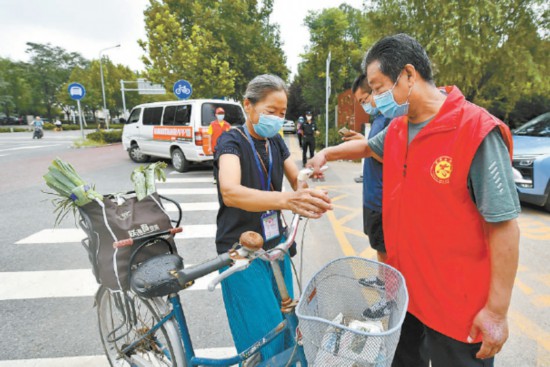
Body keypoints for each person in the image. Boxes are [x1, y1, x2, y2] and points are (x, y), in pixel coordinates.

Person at [308, 34, 520, 367]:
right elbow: (366, 147)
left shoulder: (475, 130)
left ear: (408, 75)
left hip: (457, 307)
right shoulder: (398, 129)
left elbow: (504, 226)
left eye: (379, 88)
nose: (376, 100)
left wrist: (496, 311)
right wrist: (326, 152)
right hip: (405, 297)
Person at [213, 74, 332, 363]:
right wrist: (288, 200)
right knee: (261, 333)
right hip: (241, 249)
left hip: (276, 245)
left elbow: (296, 181)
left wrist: (308, 191)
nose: (277, 119)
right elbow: (230, 191)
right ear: (248, 106)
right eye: (270, 111)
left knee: (286, 322)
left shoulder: (275, 142)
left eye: (281, 113)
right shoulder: (231, 142)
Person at [346, 74, 391, 266]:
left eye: (364, 100)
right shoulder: (379, 118)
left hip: (382, 197)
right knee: (378, 246)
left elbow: (390, 157)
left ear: (375, 90)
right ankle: (383, 281)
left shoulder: (392, 118)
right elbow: (372, 147)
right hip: (371, 195)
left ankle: (390, 290)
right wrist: (363, 142)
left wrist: (365, 146)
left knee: (385, 248)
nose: (365, 105)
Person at [208, 107, 231, 184]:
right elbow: (209, 136)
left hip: (224, 147)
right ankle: (215, 178)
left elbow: (229, 136)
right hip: (215, 147)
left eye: (222, 114)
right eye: (219, 114)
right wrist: (209, 147)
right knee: (216, 164)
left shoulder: (227, 125)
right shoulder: (212, 124)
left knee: (224, 163)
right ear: (216, 115)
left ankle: (224, 178)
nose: (221, 115)